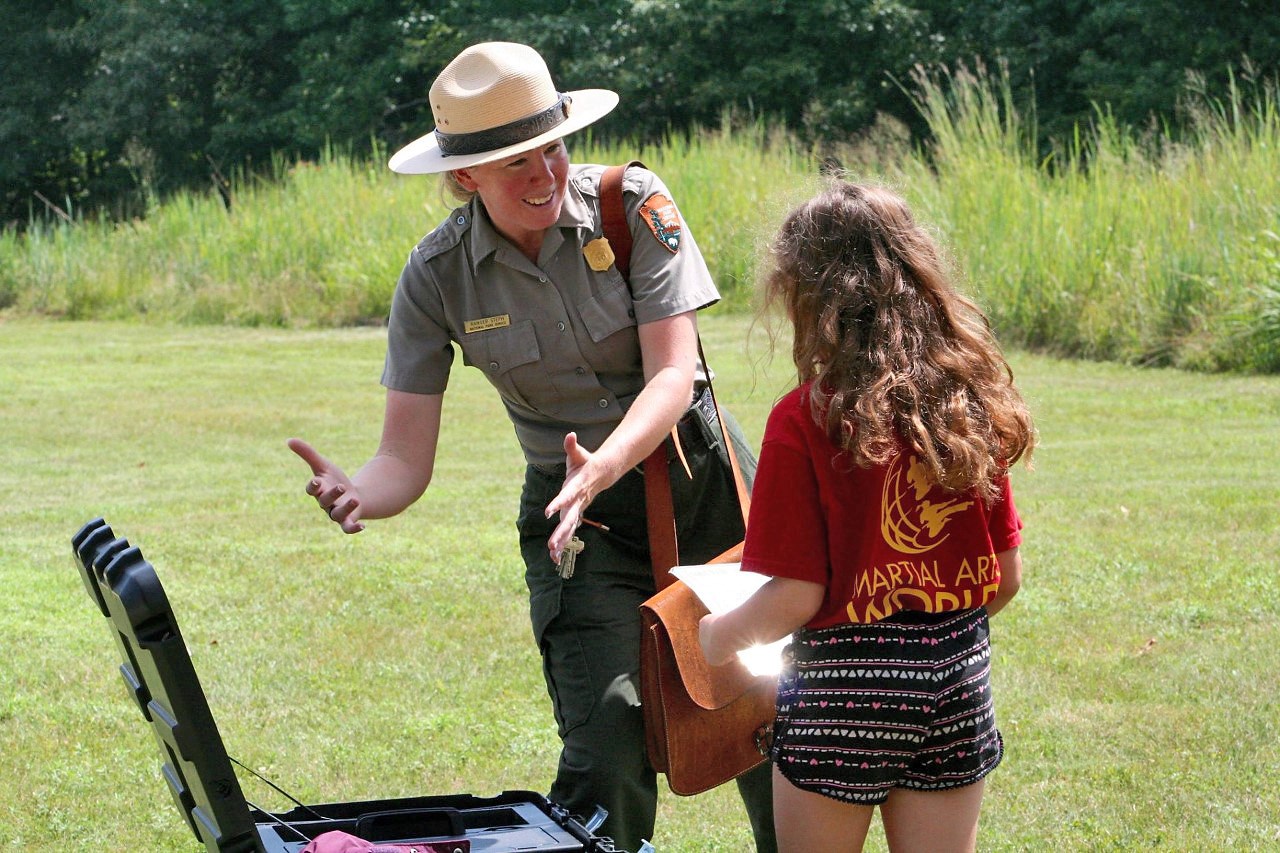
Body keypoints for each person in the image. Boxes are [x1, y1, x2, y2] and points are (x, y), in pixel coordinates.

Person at [286, 42, 775, 853]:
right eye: (513, 160)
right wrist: (361, 492)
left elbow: (672, 376)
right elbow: (403, 458)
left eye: (550, 145)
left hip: (707, 491)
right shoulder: (438, 276)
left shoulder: (632, 206)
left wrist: (606, 465)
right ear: (463, 177)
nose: (543, 171)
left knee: (771, 715)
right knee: (606, 742)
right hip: (579, 527)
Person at [699, 180, 1036, 852]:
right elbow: (1003, 578)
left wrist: (715, 636)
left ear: (810, 297)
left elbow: (797, 593)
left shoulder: (804, 419)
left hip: (844, 691)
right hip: (958, 676)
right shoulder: (969, 404)